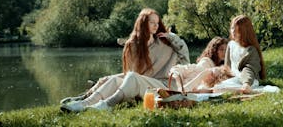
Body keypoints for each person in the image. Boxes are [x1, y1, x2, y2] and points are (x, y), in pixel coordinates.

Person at [60, 8, 189, 112]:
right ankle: (83, 104)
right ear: (143, 24)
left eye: (157, 22)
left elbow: (185, 60)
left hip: (163, 87)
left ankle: (106, 105)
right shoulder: (133, 46)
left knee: (131, 77)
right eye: (152, 22)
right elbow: (133, 73)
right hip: (143, 84)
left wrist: (172, 37)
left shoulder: (167, 43)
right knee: (115, 80)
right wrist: (110, 78)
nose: (156, 25)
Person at [215, 15, 266, 94]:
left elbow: (249, 69)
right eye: (232, 28)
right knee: (214, 85)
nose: (233, 32)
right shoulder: (231, 44)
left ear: (244, 31)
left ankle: (245, 90)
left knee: (218, 88)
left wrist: (246, 83)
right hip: (233, 78)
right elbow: (227, 66)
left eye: (237, 29)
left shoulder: (251, 50)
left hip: (247, 81)